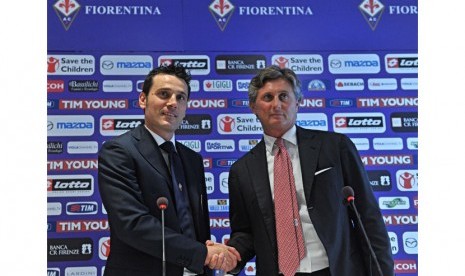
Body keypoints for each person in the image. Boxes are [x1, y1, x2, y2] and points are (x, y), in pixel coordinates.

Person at [226, 65, 394, 276]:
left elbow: (368, 216)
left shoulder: (335, 146)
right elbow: (245, 232)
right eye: (267, 97)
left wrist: (383, 271)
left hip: (336, 270)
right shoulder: (242, 171)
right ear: (253, 106)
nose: (276, 104)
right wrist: (230, 256)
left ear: (298, 103)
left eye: (284, 96)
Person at [98, 64, 240, 276]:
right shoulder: (119, 152)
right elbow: (132, 224)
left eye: (180, 97)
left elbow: (197, 229)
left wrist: (206, 258)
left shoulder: (192, 159)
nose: (173, 103)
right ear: (143, 99)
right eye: (164, 94)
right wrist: (202, 254)